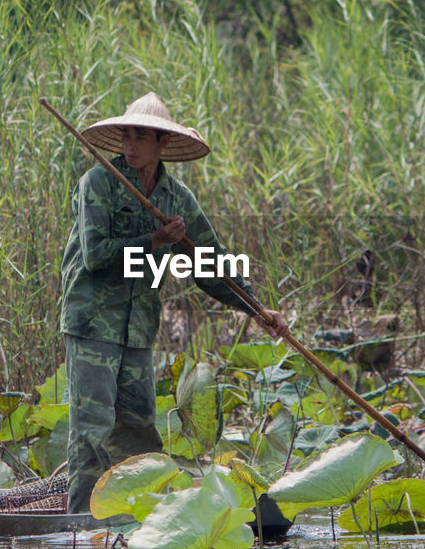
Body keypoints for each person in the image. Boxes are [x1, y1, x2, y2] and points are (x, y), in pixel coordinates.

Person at [59, 92, 289, 512]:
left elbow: (210, 263)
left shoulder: (177, 199)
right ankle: (80, 527)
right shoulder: (98, 183)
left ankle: (135, 520)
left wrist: (257, 309)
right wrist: (154, 240)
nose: (129, 146)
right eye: (125, 136)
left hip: (138, 326)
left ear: (162, 143)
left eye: (140, 137)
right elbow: (95, 256)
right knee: (92, 429)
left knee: (140, 430)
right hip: (93, 323)